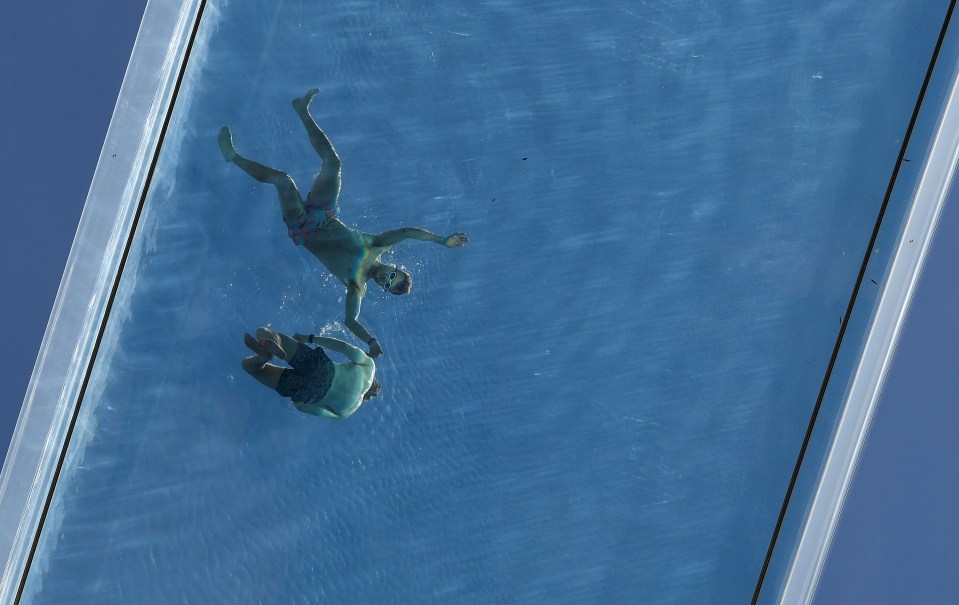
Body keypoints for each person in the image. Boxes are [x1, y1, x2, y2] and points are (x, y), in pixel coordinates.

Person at [218, 88, 469, 358]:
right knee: (334, 163)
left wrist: (370, 341)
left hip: (303, 227)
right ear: (397, 267)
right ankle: (302, 110)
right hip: (324, 212)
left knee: (283, 180)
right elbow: (408, 232)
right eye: (393, 276)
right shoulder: (377, 245)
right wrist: (441, 240)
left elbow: (351, 321)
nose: (385, 279)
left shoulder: (356, 284)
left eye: (386, 286)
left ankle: (232, 157)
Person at [242, 326, 380, 419]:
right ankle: (262, 358)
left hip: (323, 369)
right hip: (311, 393)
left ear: (374, 381)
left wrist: (309, 338)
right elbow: (311, 409)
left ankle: (274, 345)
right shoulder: (347, 412)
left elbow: (344, 347)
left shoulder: (369, 368)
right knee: (250, 368)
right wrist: (298, 399)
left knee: (263, 332)